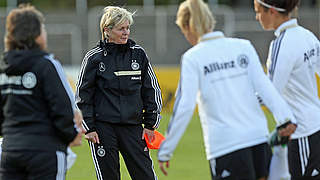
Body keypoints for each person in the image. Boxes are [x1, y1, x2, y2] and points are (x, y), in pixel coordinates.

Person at [157, 0, 297, 179]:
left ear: (187, 26)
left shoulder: (193, 58)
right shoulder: (243, 46)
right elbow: (265, 87)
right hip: (258, 140)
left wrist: (166, 150)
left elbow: (184, 106)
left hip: (226, 146)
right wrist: (286, 119)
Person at [76, 6, 162, 180]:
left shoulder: (139, 54)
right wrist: (89, 128)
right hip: (103, 130)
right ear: (107, 30)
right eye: (121, 28)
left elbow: (151, 90)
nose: (126, 32)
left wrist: (150, 124)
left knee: (146, 176)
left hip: (133, 128)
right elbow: (82, 96)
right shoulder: (94, 58)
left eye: (128, 28)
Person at [0, 4, 85, 180]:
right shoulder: (47, 65)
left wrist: (12, 137)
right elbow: (64, 109)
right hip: (45, 153)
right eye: (43, 29)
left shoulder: (4, 69)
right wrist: (70, 135)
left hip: (10, 152)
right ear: (36, 34)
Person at [254, 0, 320, 179]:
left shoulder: (281, 44)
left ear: (273, 11)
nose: (257, 17)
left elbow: (271, 92)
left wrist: (239, 100)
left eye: (259, 11)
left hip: (302, 132)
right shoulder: (308, 35)